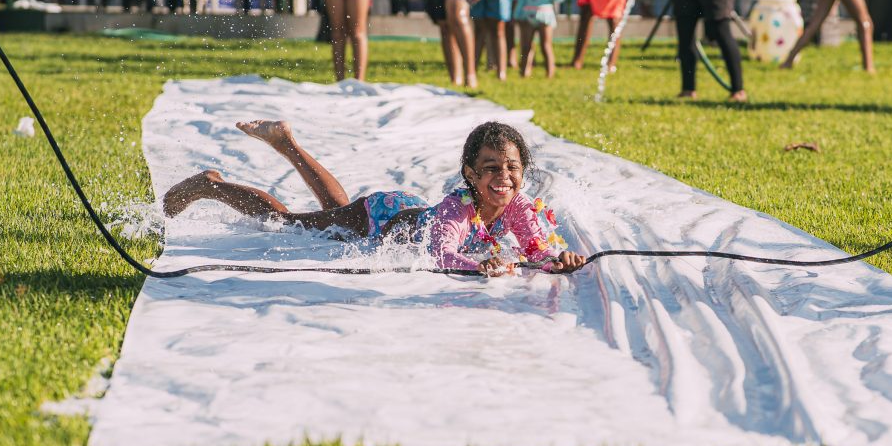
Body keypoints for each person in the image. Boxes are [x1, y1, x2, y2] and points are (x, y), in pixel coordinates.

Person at [163, 120, 588, 276]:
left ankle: (286, 142)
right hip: (381, 216)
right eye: (492, 167)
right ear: (470, 175)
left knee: (332, 211)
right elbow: (442, 254)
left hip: (401, 205)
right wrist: (479, 264)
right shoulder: (458, 208)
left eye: (512, 167)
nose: (504, 176)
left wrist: (561, 258)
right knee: (288, 223)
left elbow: (538, 247)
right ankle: (211, 184)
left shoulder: (517, 205)